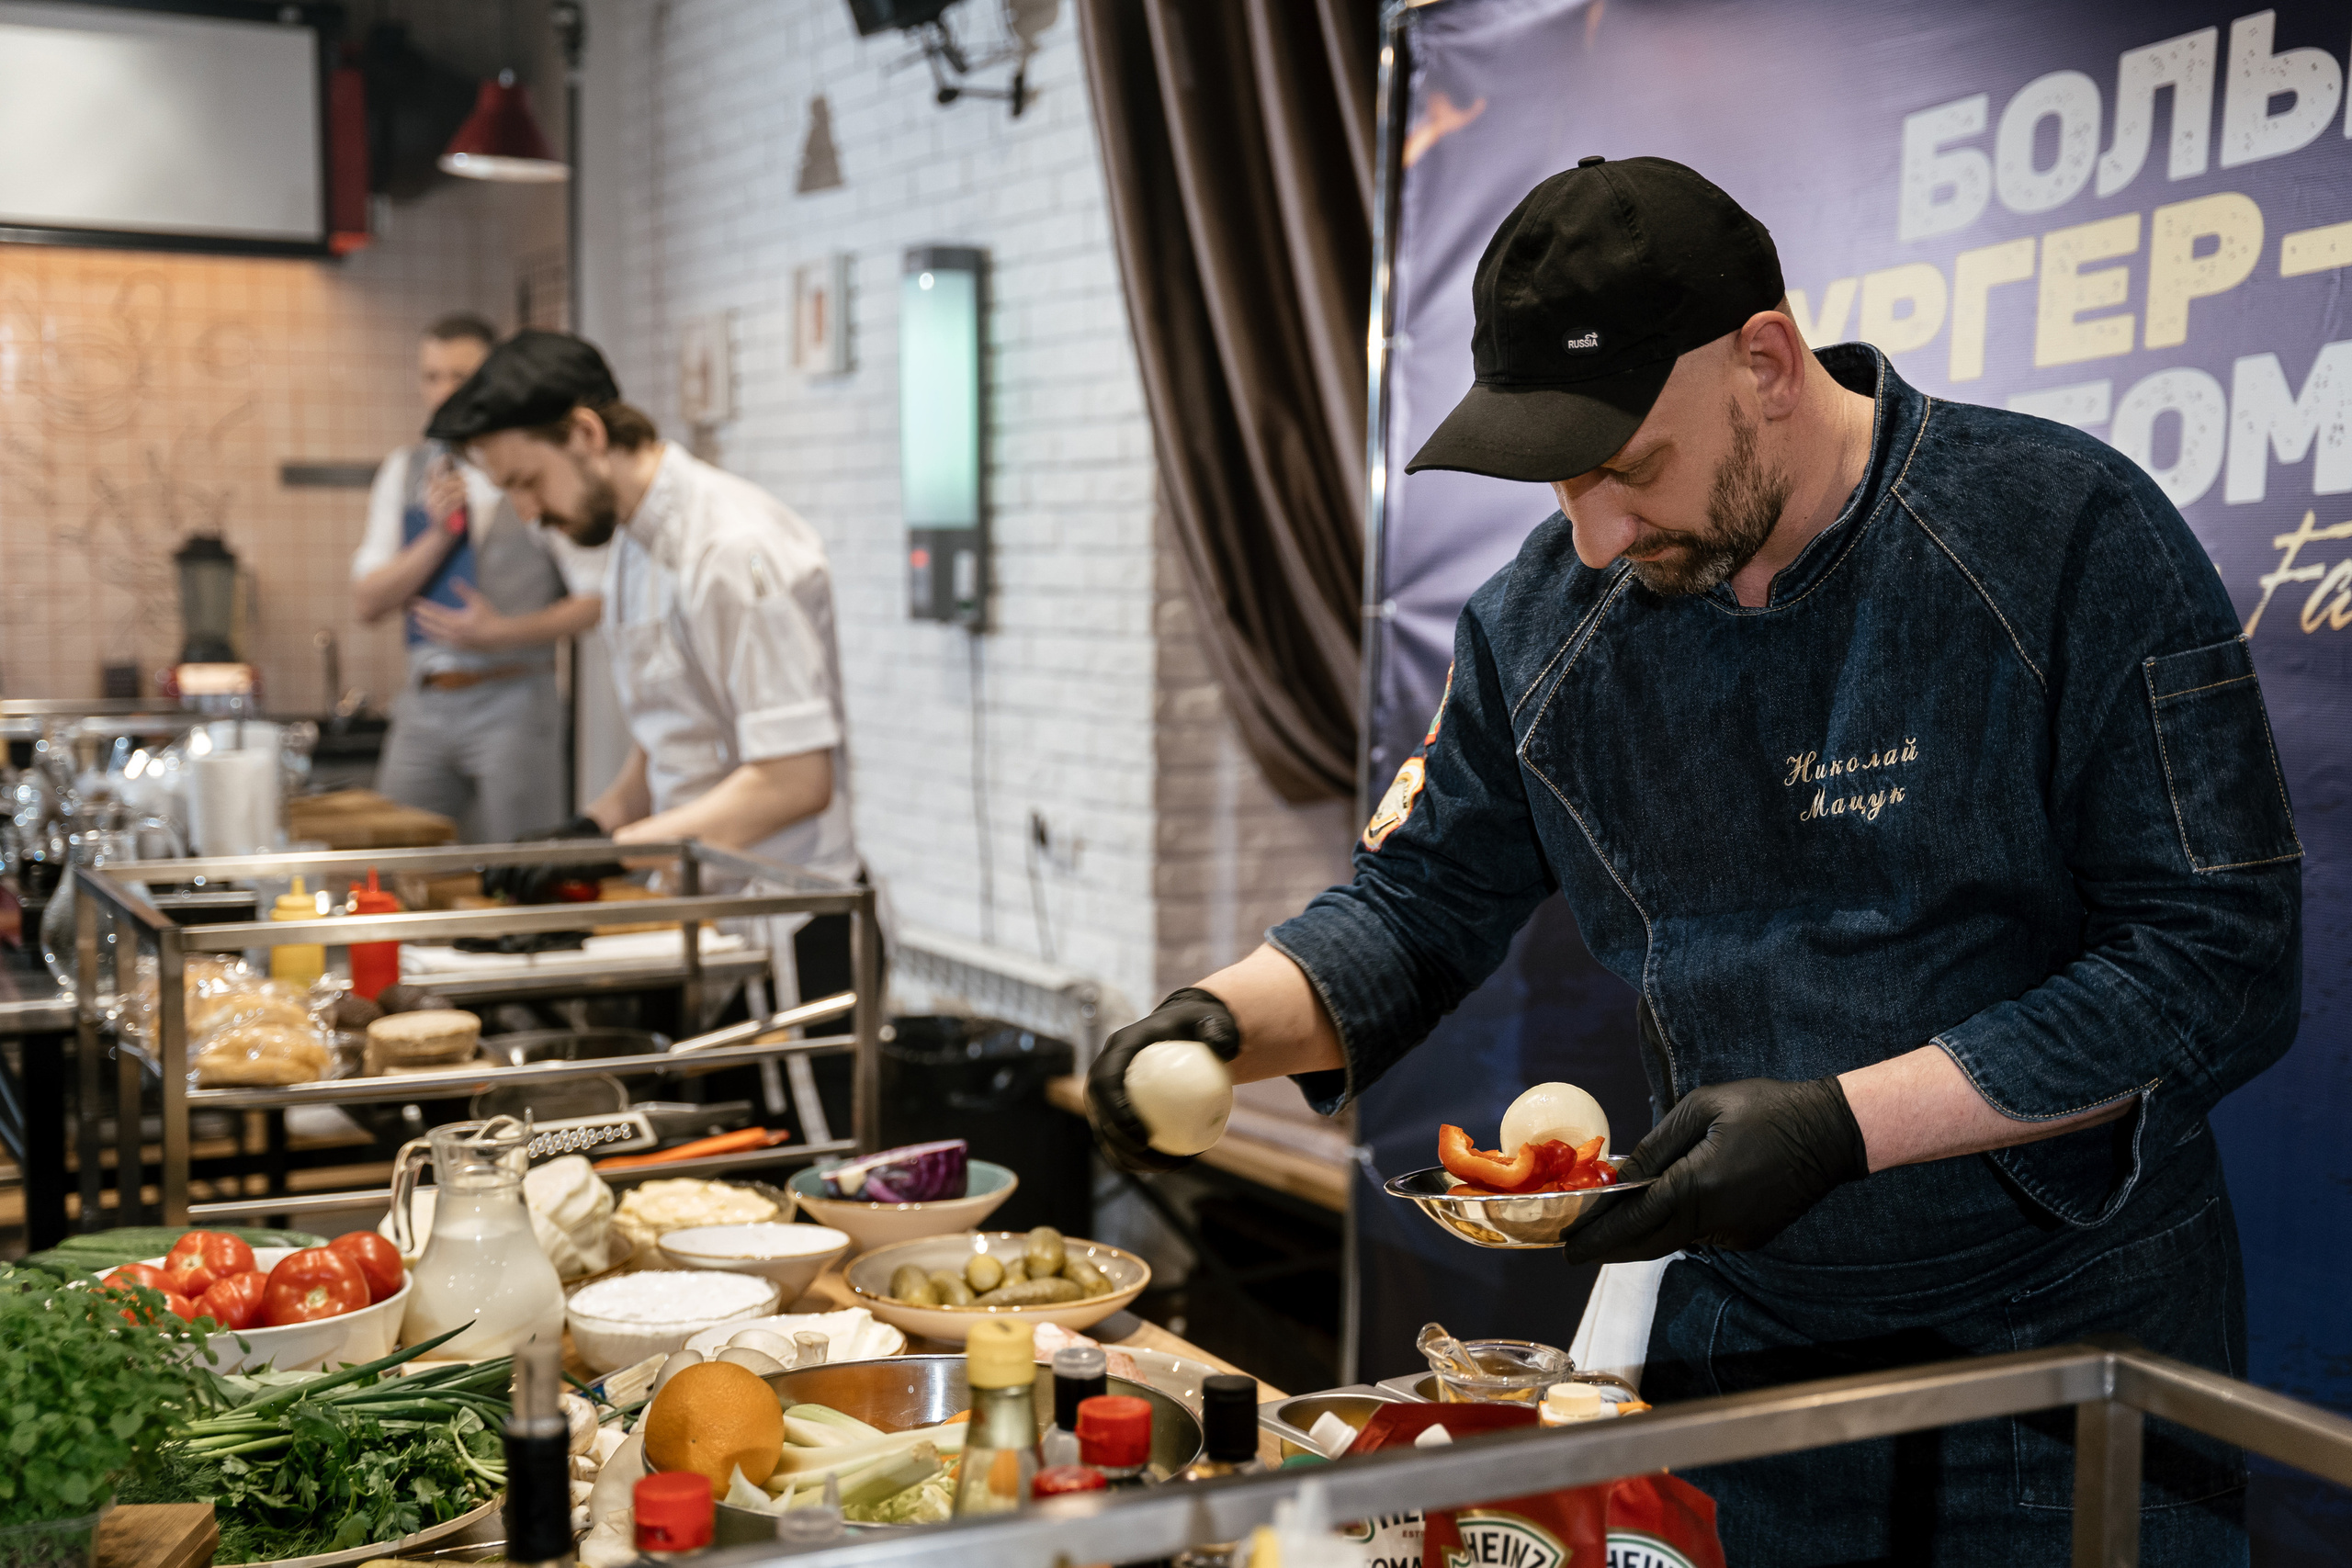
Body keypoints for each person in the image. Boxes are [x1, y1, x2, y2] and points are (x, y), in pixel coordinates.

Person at [1086, 157, 2301, 1560]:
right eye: (1558, 478)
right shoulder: (1544, 622)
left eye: (1629, 467)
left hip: (2070, 1345)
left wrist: (1839, 1122)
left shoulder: (2063, 534)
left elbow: (2217, 962)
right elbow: (1420, 896)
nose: (1594, 531)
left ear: (1767, 363)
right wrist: (1219, 1019)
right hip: (1751, 1347)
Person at [424, 330, 863, 1006]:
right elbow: (677, 729)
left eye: (528, 482)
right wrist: (591, 828)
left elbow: (796, 779)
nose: (530, 513)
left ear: (586, 433)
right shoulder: (632, 542)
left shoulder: (733, 550)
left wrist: (619, 849)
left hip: (792, 929)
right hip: (705, 920)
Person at [352, 314, 605, 842]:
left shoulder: (529, 469)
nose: (444, 392)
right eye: (432, 376)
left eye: (460, 378)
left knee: (524, 860)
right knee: (393, 859)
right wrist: (439, 537)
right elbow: (367, 602)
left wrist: (500, 634)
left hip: (514, 698)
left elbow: (597, 596)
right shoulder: (405, 470)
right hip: (425, 699)